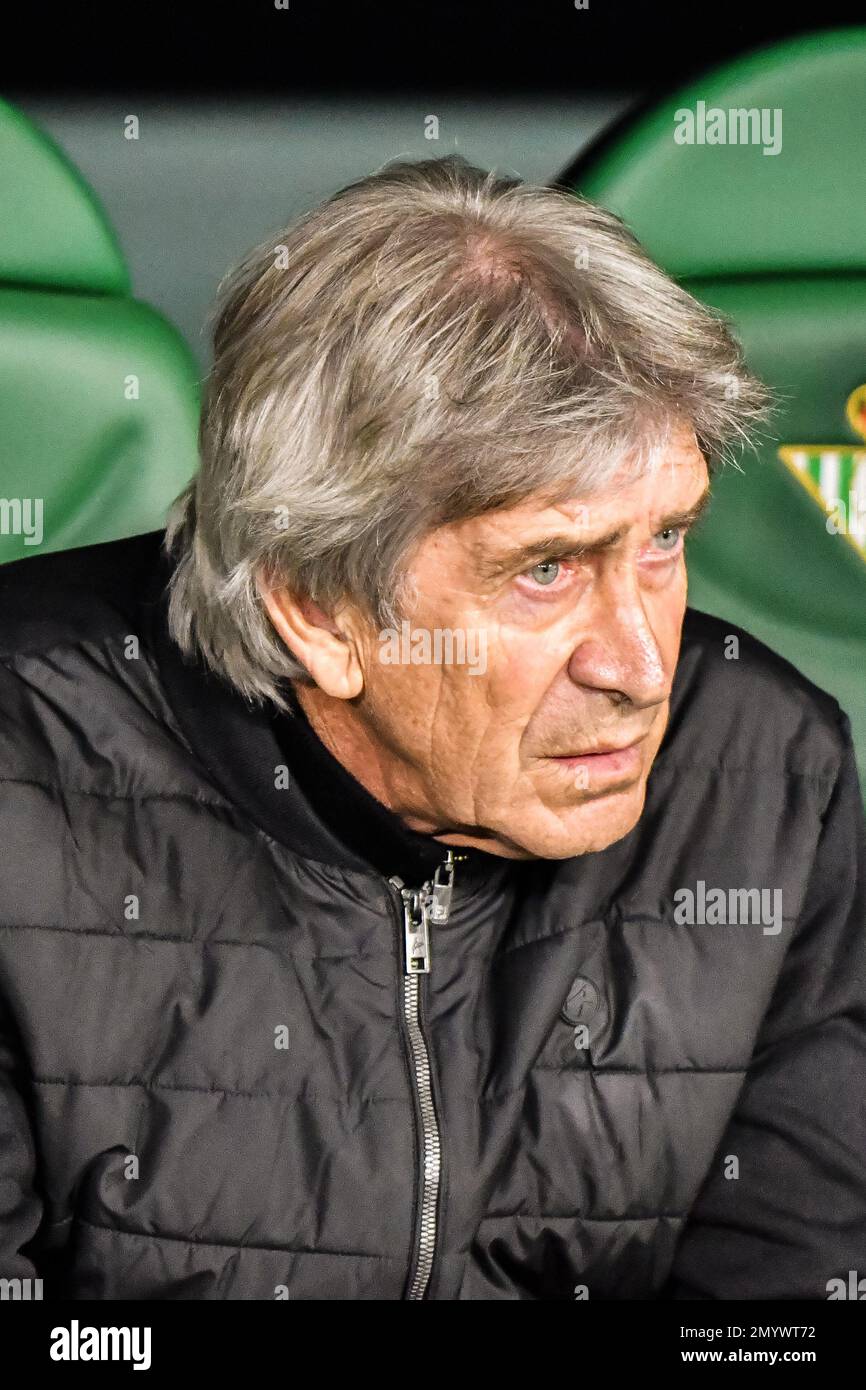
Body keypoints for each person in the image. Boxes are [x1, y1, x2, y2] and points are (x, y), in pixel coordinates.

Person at [0, 155, 863, 1300]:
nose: (643, 667)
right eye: (545, 569)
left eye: (661, 540)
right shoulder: (20, 778)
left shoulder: (758, 774)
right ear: (315, 609)